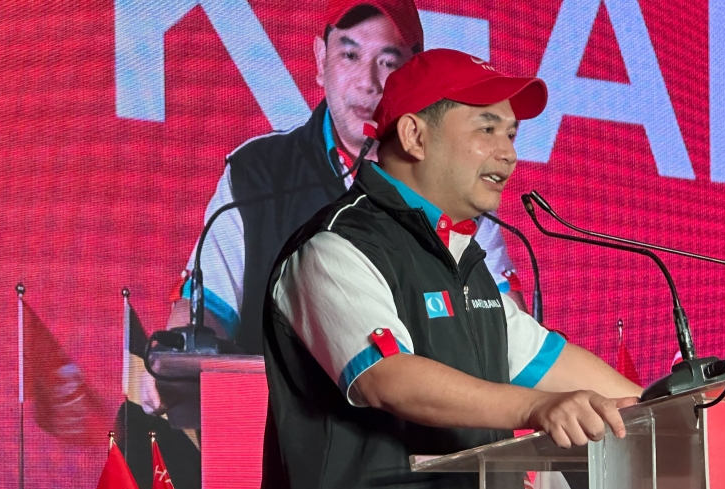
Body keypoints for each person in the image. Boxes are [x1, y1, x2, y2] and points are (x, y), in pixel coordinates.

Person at [244, 48, 642, 489]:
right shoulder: (334, 247)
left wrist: (681, 408)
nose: (509, 153)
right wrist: (539, 407)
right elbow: (386, 377)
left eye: (511, 133)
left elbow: (549, 360)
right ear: (413, 135)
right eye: (486, 128)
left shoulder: (466, 269)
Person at [142, 0, 529, 416]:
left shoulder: (454, 181)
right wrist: (179, 349)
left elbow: (507, 329)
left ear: (414, 75)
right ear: (320, 60)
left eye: (388, 61)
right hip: (278, 435)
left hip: (425, 432)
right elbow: (206, 310)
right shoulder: (257, 174)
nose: (368, 83)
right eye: (349, 55)